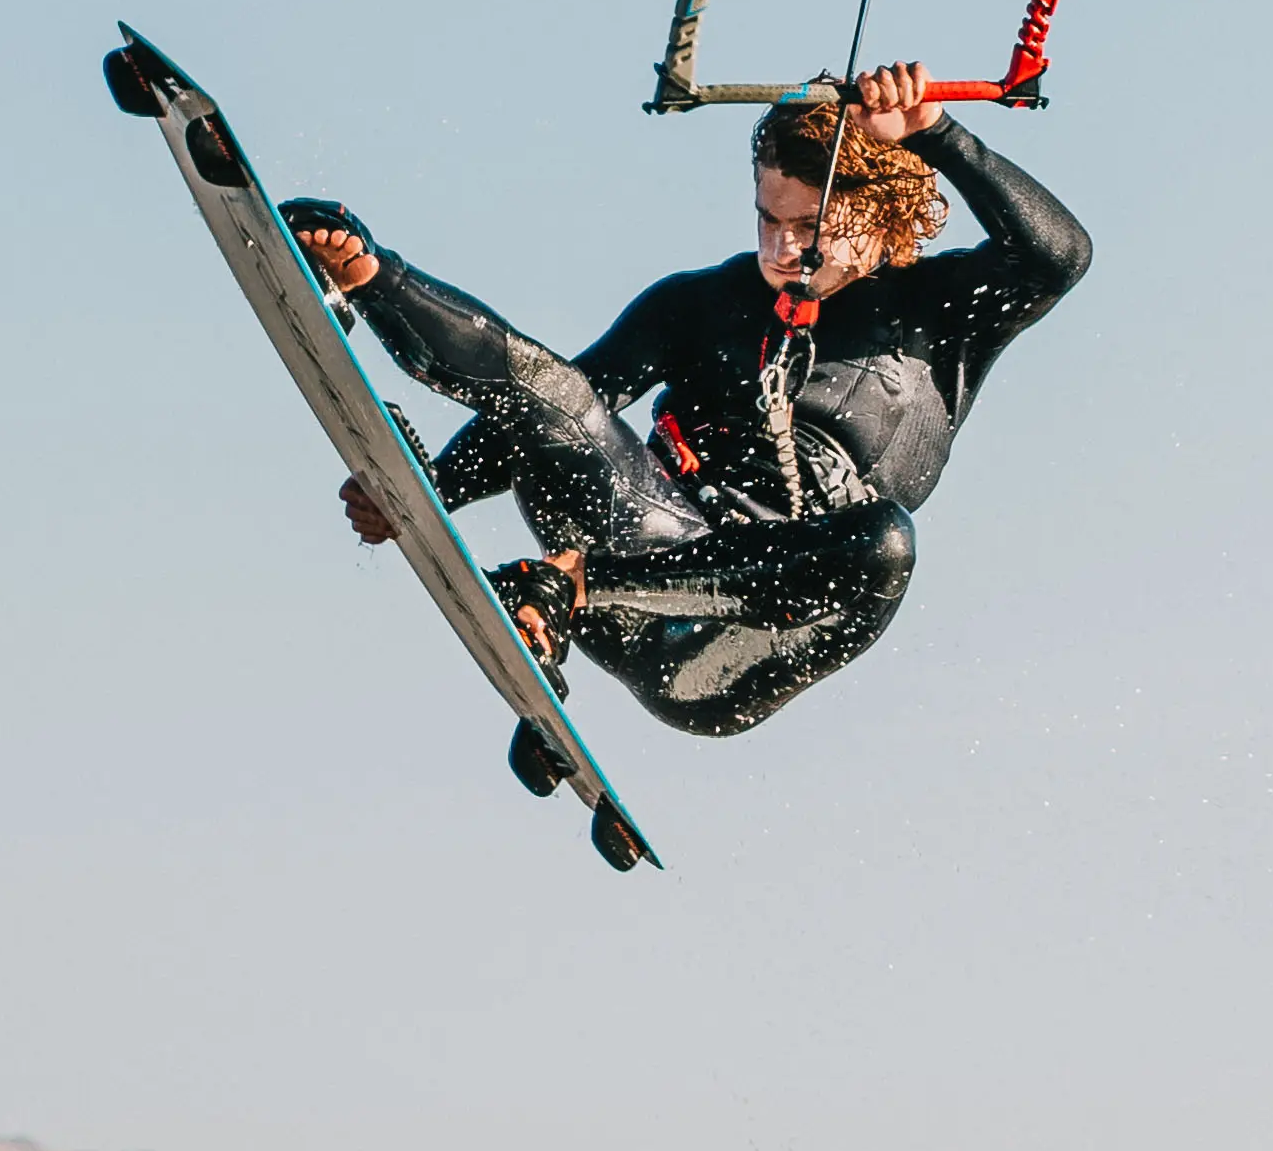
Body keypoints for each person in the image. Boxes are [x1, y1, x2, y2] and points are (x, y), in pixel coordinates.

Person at [277, 64, 1087, 737]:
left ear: (875, 218)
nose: (778, 248)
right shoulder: (699, 304)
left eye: (806, 228)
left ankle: (560, 590)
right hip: (628, 542)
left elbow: (1060, 256)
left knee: (886, 544)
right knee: (560, 387)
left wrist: (938, 134)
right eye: (766, 218)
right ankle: (373, 276)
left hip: (732, 645)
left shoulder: (940, 312)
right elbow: (556, 418)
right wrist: (425, 500)